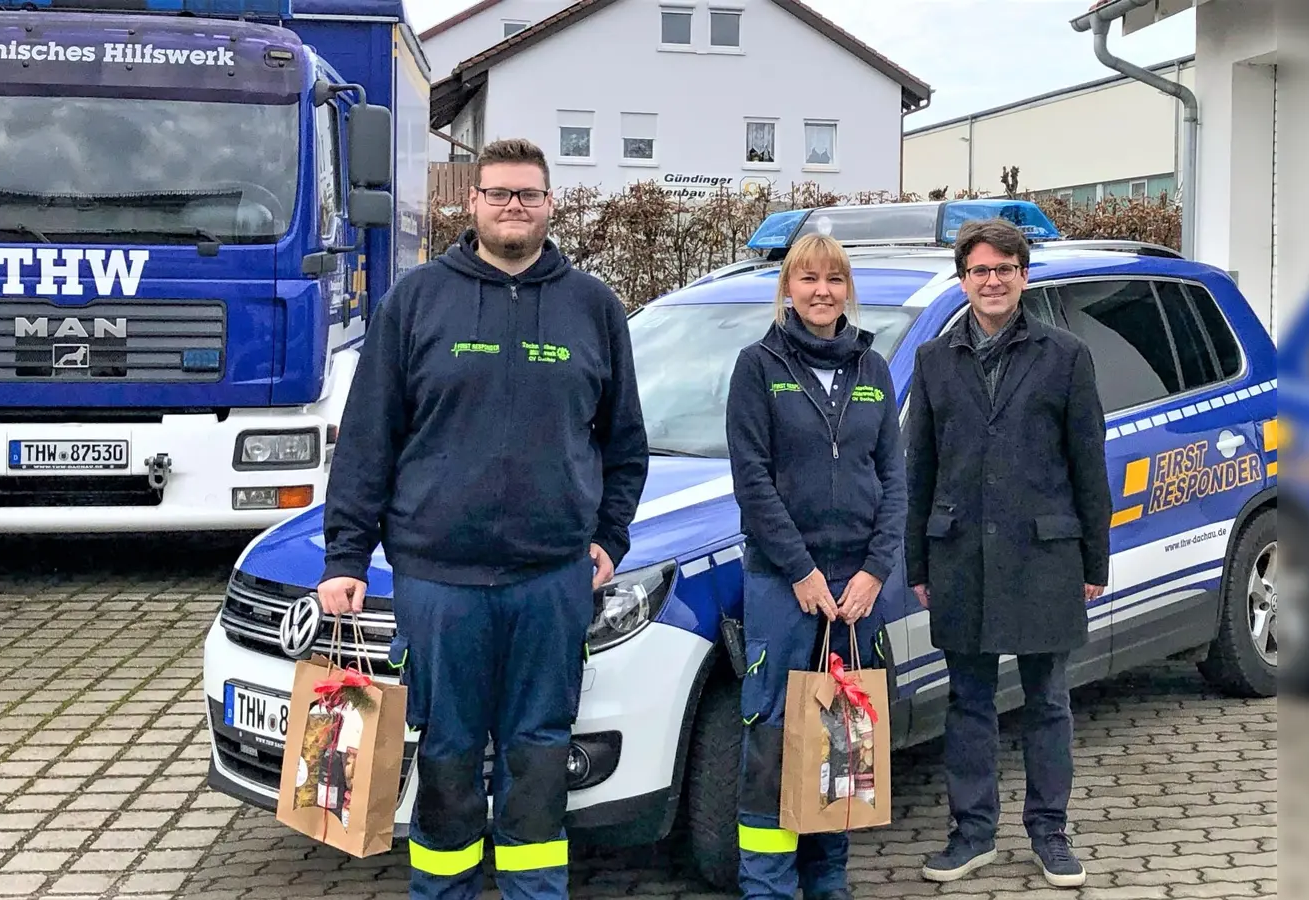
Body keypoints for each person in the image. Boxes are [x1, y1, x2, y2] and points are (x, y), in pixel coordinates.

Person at [315, 137, 649, 900]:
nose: (513, 207)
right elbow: (369, 441)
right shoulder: (417, 300)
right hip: (441, 582)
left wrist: (609, 537)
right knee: (449, 756)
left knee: (539, 757)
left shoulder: (593, 307)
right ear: (472, 203)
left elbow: (625, 443)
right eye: (498, 193)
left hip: (550, 580)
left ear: (550, 204)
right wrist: (344, 560)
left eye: (528, 194)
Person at [904, 218, 1111, 889]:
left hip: (1045, 557)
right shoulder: (935, 361)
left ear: (1024, 275)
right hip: (960, 557)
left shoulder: (1065, 356)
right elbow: (920, 469)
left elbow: (1089, 468)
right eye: (979, 271)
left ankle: (1049, 831)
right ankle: (973, 834)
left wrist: (1094, 563)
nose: (992, 282)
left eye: (1004, 269)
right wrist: (918, 563)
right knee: (969, 701)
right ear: (961, 280)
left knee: (1048, 699)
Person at [725, 232, 906, 900]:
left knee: (842, 744)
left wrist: (873, 573)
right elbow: (753, 482)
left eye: (834, 279)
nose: (822, 291)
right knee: (772, 743)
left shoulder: (873, 369)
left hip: (857, 592)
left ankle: (829, 885)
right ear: (788, 289)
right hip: (784, 587)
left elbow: (894, 480)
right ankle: (768, 889)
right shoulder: (757, 366)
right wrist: (801, 571)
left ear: (847, 289)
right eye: (808, 279)